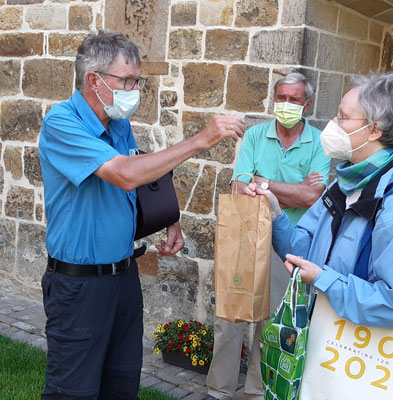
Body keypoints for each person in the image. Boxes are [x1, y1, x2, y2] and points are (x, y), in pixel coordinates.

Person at [38, 30, 244, 399]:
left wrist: (168, 216)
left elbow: (140, 171)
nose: (135, 89)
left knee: (123, 381)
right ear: (94, 80)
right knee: (73, 391)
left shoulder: (117, 124)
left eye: (137, 80)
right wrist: (200, 140)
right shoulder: (61, 123)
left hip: (123, 278)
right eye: (127, 80)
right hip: (79, 286)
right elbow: (123, 173)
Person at [245, 72, 393, 333]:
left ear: (375, 129)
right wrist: (276, 214)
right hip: (325, 344)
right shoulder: (341, 187)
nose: (332, 123)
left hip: (360, 358)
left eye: (342, 116)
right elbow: (302, 250)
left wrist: (324, 280)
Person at [204, 72, 330, 400]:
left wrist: (265, 183)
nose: (286, 105)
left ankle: (256, 393)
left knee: (272, 323)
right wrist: (296, 189)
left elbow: (313, 198)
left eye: (294, 99)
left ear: (308, 103)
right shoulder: (256, 136)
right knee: (230, 318)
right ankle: (218, 391)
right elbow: (238, 188)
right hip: (246, 236)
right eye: (282, 98)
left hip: (290, 246)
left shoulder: (320, 143)